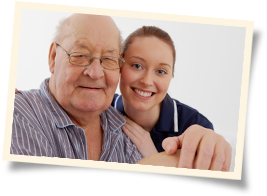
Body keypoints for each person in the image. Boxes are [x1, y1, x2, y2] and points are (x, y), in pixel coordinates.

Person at [12, 13, 231, 170]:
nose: (95, 72)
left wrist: (211, 145)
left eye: (108, 59)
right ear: (53, 57)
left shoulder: (123, 130)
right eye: (79, 54)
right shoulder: (19, 112)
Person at [111, 26, 232, 171]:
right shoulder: (101, 108)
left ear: (171, 75)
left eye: (161, 71)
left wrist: (153, 158)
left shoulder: (195, 125)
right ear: (119, 64)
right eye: (137, 66)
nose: (147, 81)